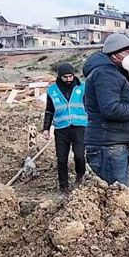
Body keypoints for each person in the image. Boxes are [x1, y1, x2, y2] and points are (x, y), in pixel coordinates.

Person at [82, 33, 129, 186]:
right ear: (114, 54)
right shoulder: (106, 73)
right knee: (117, 196)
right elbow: (111, 109)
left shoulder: (112, 72)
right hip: (108, 146)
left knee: (116, 194)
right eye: (128, 52)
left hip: (112, 143)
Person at [42, 62, 87, 192]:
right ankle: (63, 186)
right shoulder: (52, 91)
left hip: (79, 126)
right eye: (65, 77)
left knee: (79, 155)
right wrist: (46, 128)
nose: (68, 80)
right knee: (61, 159)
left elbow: (89, 106)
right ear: (59, 76)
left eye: (70, 76)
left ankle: (80, 176)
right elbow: (49, 110)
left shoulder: (82, 88)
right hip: (61, 128)